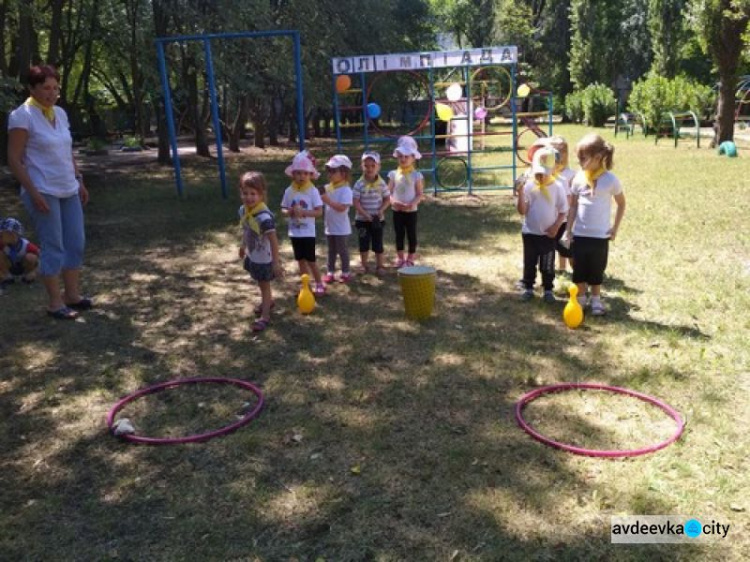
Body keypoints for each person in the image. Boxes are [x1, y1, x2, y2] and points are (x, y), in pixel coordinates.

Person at [7, 64, 91, 320]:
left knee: (75, 243)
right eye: (45, 88)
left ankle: (72, 296)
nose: (51, 93)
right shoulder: (22, 115)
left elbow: (67, 151)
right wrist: (33, 192)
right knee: (54, 245)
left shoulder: (61, 114)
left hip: (68, 187)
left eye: (55, 88)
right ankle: (55, 303)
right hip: (43, 190)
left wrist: (79, 180)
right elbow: (14, 158)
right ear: (32, 88)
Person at [563, 133, 626, 316]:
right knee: (579, 267)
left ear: (598, 157)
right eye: (578, 158)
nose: (579, 162)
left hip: (600, 236)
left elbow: (621, 203)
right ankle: (581, 298)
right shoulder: (578, 179)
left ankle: (596, 299)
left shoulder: (611, 180)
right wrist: (568, 230)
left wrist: (615, 228)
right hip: (580, 234)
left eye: (583, 158)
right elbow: (573, 206)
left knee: (597, 268)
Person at [516, 147, 569, 303]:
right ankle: (528, 287)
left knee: (547, 262)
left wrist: (556, 227)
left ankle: (547, 289)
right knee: (529, 261)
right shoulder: (529, 186)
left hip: (548, 235)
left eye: (544, 173)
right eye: (538, 173)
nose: (541, 176)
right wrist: (520, 194)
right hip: (530, 233)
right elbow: (522, 211)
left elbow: (563, 210)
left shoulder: (557, 187)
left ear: (553, 170)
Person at [238, 171, 283, 333]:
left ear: (261, 195)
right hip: (254, 254)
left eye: (253, 194)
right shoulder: (244, 210)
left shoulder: (264, 217)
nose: (249, 197)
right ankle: (268, 301)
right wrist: (243, 246)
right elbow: (246, 229)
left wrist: (276, 262)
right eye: (245, 193)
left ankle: (265, 316)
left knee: (264, 285)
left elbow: (273, 240)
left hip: (264, 258)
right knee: (259, 281)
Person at [280, 150, 326, 295]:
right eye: (298, 173)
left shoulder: (313, 191)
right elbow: (283, 209)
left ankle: (319, 283)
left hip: (308, 232)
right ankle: (305, 285)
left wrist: (305, 213)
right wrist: (291, 212)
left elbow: (319, 212)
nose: (302, 176)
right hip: (294, 232)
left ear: (311, 175)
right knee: (300, 260)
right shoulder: (289, 191)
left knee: (311, 260)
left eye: (305, 173)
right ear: (293, 174)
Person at [353, 151, 390, 275]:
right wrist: (364, 214)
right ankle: (364, 265)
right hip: (362, 221)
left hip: (377, 220)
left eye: (372, 166)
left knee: (378, 243)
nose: (369, 169)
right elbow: (356, 202)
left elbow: (387, 199)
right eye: (366, 165)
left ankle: (380, 266)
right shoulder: (359, 184)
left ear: (378, 166)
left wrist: (381, 210)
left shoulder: (382, 183)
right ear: (361, 166)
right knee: (363, 243)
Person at [388, 136, 424, 267]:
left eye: (406, 156)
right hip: (397, 210)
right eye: (400, 156)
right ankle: (400, 257)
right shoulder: (393, 174)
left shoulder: (416, 175)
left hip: (411, 211)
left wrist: (411, 204)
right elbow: (388, 192)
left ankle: (410, 257)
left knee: (411, 234)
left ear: (413, 157)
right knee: (399, 234)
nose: (403, 159)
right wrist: (393, 202)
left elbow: (420, 194)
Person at [320, 155, 354, 283]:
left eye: (334, 171)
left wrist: (327, 200)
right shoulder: (329, 187)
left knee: (342, 250)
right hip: (330, 227)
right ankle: (330, 272)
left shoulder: (346, 190)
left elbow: (342, 208)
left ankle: (346, 272)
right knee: (331, 251)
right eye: (329, 171)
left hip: (341, 228)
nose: (330, 174)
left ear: (344, 173)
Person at [546, 135, 576, 273]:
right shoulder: (547, 173)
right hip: (550, 217)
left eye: (562, 151)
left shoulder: (570, 174)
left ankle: (577, 269)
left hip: (565, 218)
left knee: (567, 248)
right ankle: (561, 269)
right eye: (554, 151)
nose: (559, 155)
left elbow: (573, 197)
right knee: (553, 245)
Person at [0, 217, 40, 290]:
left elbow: (43, 256)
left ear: (17, 234)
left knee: (31, 257)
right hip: (9, 266)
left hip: (23, 267)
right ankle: (7, 276)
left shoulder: (27, 245)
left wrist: (35, 272)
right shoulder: (2, 244)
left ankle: (27, 276)